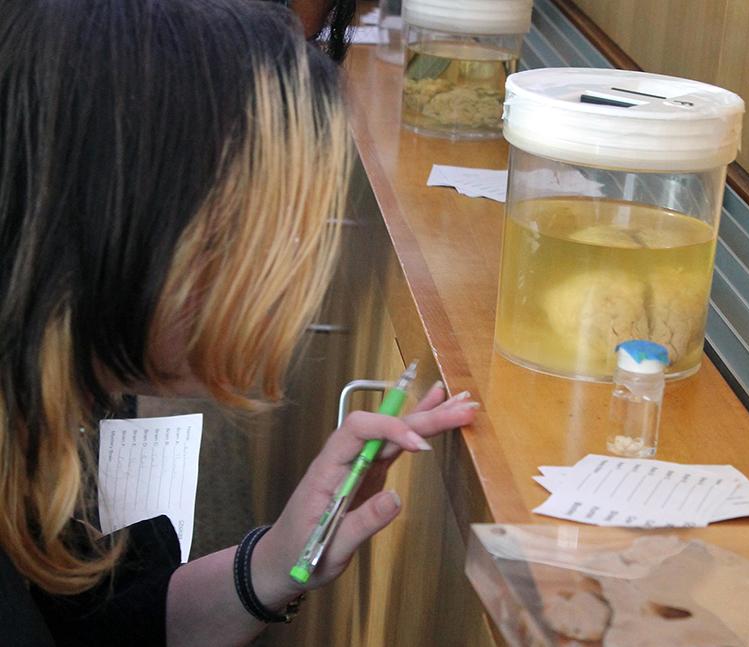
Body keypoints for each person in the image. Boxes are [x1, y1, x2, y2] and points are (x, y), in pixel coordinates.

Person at [0, 1, 478, 645]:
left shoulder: (50, 410)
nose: (290, 288)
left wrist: (273, 563)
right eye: (262, 239)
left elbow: (92, 629)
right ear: (128, 219)